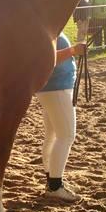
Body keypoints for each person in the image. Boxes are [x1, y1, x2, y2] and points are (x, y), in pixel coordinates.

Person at [37, 33, 86, 202]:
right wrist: (73, 50)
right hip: (57, 88)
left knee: (53, 136)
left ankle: (52, 181)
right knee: (66, 136)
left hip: (53, 88)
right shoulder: (47, 30)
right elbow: (46, 58)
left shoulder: (49, 27)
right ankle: (55, 186)